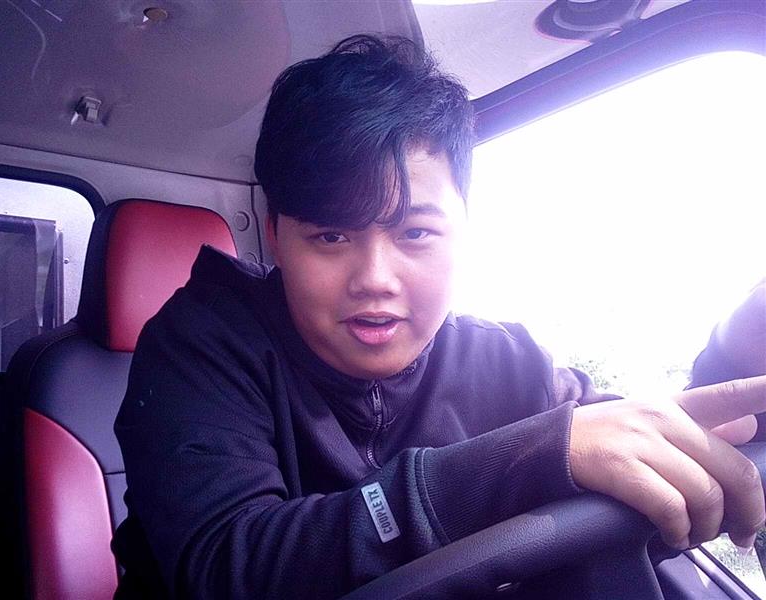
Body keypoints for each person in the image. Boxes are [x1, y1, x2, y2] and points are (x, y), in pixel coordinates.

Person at [111, 35, 766, 599]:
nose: (375, 278)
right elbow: (227, 566)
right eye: (331, 236)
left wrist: (734, 351)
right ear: (276, 236)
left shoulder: (505, 360)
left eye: (416, 234)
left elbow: (637, 465)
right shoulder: (199, 347)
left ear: (464, 231)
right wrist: (520, 462)